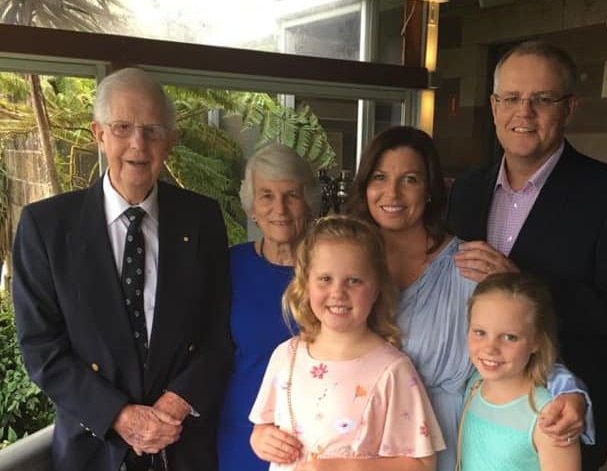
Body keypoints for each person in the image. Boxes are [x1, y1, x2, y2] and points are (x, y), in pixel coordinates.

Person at [447, 41, 607, 470]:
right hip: (474, 406)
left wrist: (525, 282)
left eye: (542, 99)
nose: (523, 112)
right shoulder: (467, 190)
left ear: (569, 108)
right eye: (511, 98)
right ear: (493, 106)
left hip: (559, 415)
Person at [12, 67, 233, 471]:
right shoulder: (45, 227)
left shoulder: (202, 219)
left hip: (181, 447)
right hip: (93, 449)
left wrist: (175, 404)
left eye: (152, 130)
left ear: (170, 141)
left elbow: (218, 332)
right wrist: (120, 415)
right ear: (99, 134)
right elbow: (41, 347)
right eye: (122, 127)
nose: (138, 144)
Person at [343, 125, 591, 471]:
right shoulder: (349, 265)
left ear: (430, 189)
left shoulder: (470, 266)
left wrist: (568, 390)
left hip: (441, 437)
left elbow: (515, 341)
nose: (392, 193)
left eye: (410, 179)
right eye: (379, 177)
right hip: (358, 434)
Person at [249, 215, 445, 471]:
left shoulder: (392, 370)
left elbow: (423, 463)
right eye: (325, 279)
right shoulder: (286, 356)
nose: (338, 292)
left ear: (376, 288)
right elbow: (261, 427)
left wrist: (341, 468)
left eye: (353, 281)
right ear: (306, 283)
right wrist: (262, 439)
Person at [217, 143, 321, 471]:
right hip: (244, 432)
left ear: (308, 203)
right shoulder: (228, 266)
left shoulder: (332, 268)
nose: (280, 208)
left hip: (318, 436)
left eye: (291, 195)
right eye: (266, 195)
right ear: (251, 207)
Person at [458, 273, 580, 471]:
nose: (490, 348)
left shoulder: (550, 417)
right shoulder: (474, 383)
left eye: (510, 337)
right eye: (480, 332)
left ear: (537, 341)